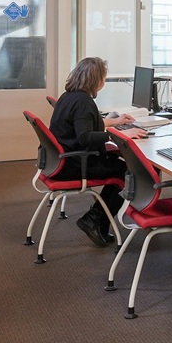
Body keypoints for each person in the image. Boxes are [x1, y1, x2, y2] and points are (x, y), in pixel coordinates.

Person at [48, 56, 148, 247]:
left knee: (121, 168)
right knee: (128, 173)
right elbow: (85, 137)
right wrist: (119, 135)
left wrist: (115, 122)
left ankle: (97, 219)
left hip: (63, 160)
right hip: (75, 164)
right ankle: (96, 219)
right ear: (97, 80)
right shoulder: (83, 102)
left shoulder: (69, 96)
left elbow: (84, 124)